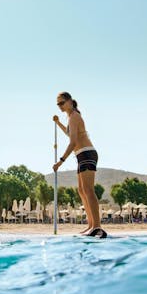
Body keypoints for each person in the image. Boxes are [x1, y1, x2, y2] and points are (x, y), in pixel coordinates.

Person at [52, 92, 106, 238]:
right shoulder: (70, 117)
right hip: (81, 155)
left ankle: (97, 227)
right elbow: (71, 135)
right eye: (58, 104)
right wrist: (58, 123)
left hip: (87, 153)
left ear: (69, 101)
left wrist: (61, 161)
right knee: (81, 190)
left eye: (62, 103)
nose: (60, 106)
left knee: (88, 189)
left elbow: (73, 142)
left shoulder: (75, 116)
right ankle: (91, 225)